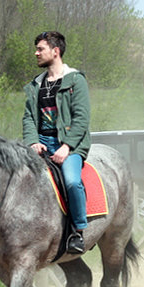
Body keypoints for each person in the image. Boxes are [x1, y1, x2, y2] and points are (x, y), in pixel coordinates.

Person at [23, 30, 91, 254]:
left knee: (71, 182)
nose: (36, 53)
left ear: (56, 51)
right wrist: (33, 141)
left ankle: (77, 232)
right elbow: (29, 118)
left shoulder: (75, 80)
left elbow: (81, 119)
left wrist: (66, 147)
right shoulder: (35, 85)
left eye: (40, 49)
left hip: (69, 144)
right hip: (41, 142)